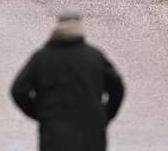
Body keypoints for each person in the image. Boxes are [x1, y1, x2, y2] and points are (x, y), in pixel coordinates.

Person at [11, 12, 125, 151]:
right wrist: (104, 115)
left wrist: (41, 113)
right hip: (91, 130)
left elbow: (19, 89)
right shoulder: (94, 56)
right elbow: (117, 88)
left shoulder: (42, 57)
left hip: (54, 131)